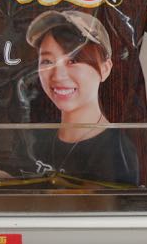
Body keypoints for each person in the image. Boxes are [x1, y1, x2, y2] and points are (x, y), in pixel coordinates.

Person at [24, 10, 139, 186]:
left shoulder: (117, 153)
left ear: (105, 69)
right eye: (47, 61)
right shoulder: (38, 139)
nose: (58, 76)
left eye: (73, 60)